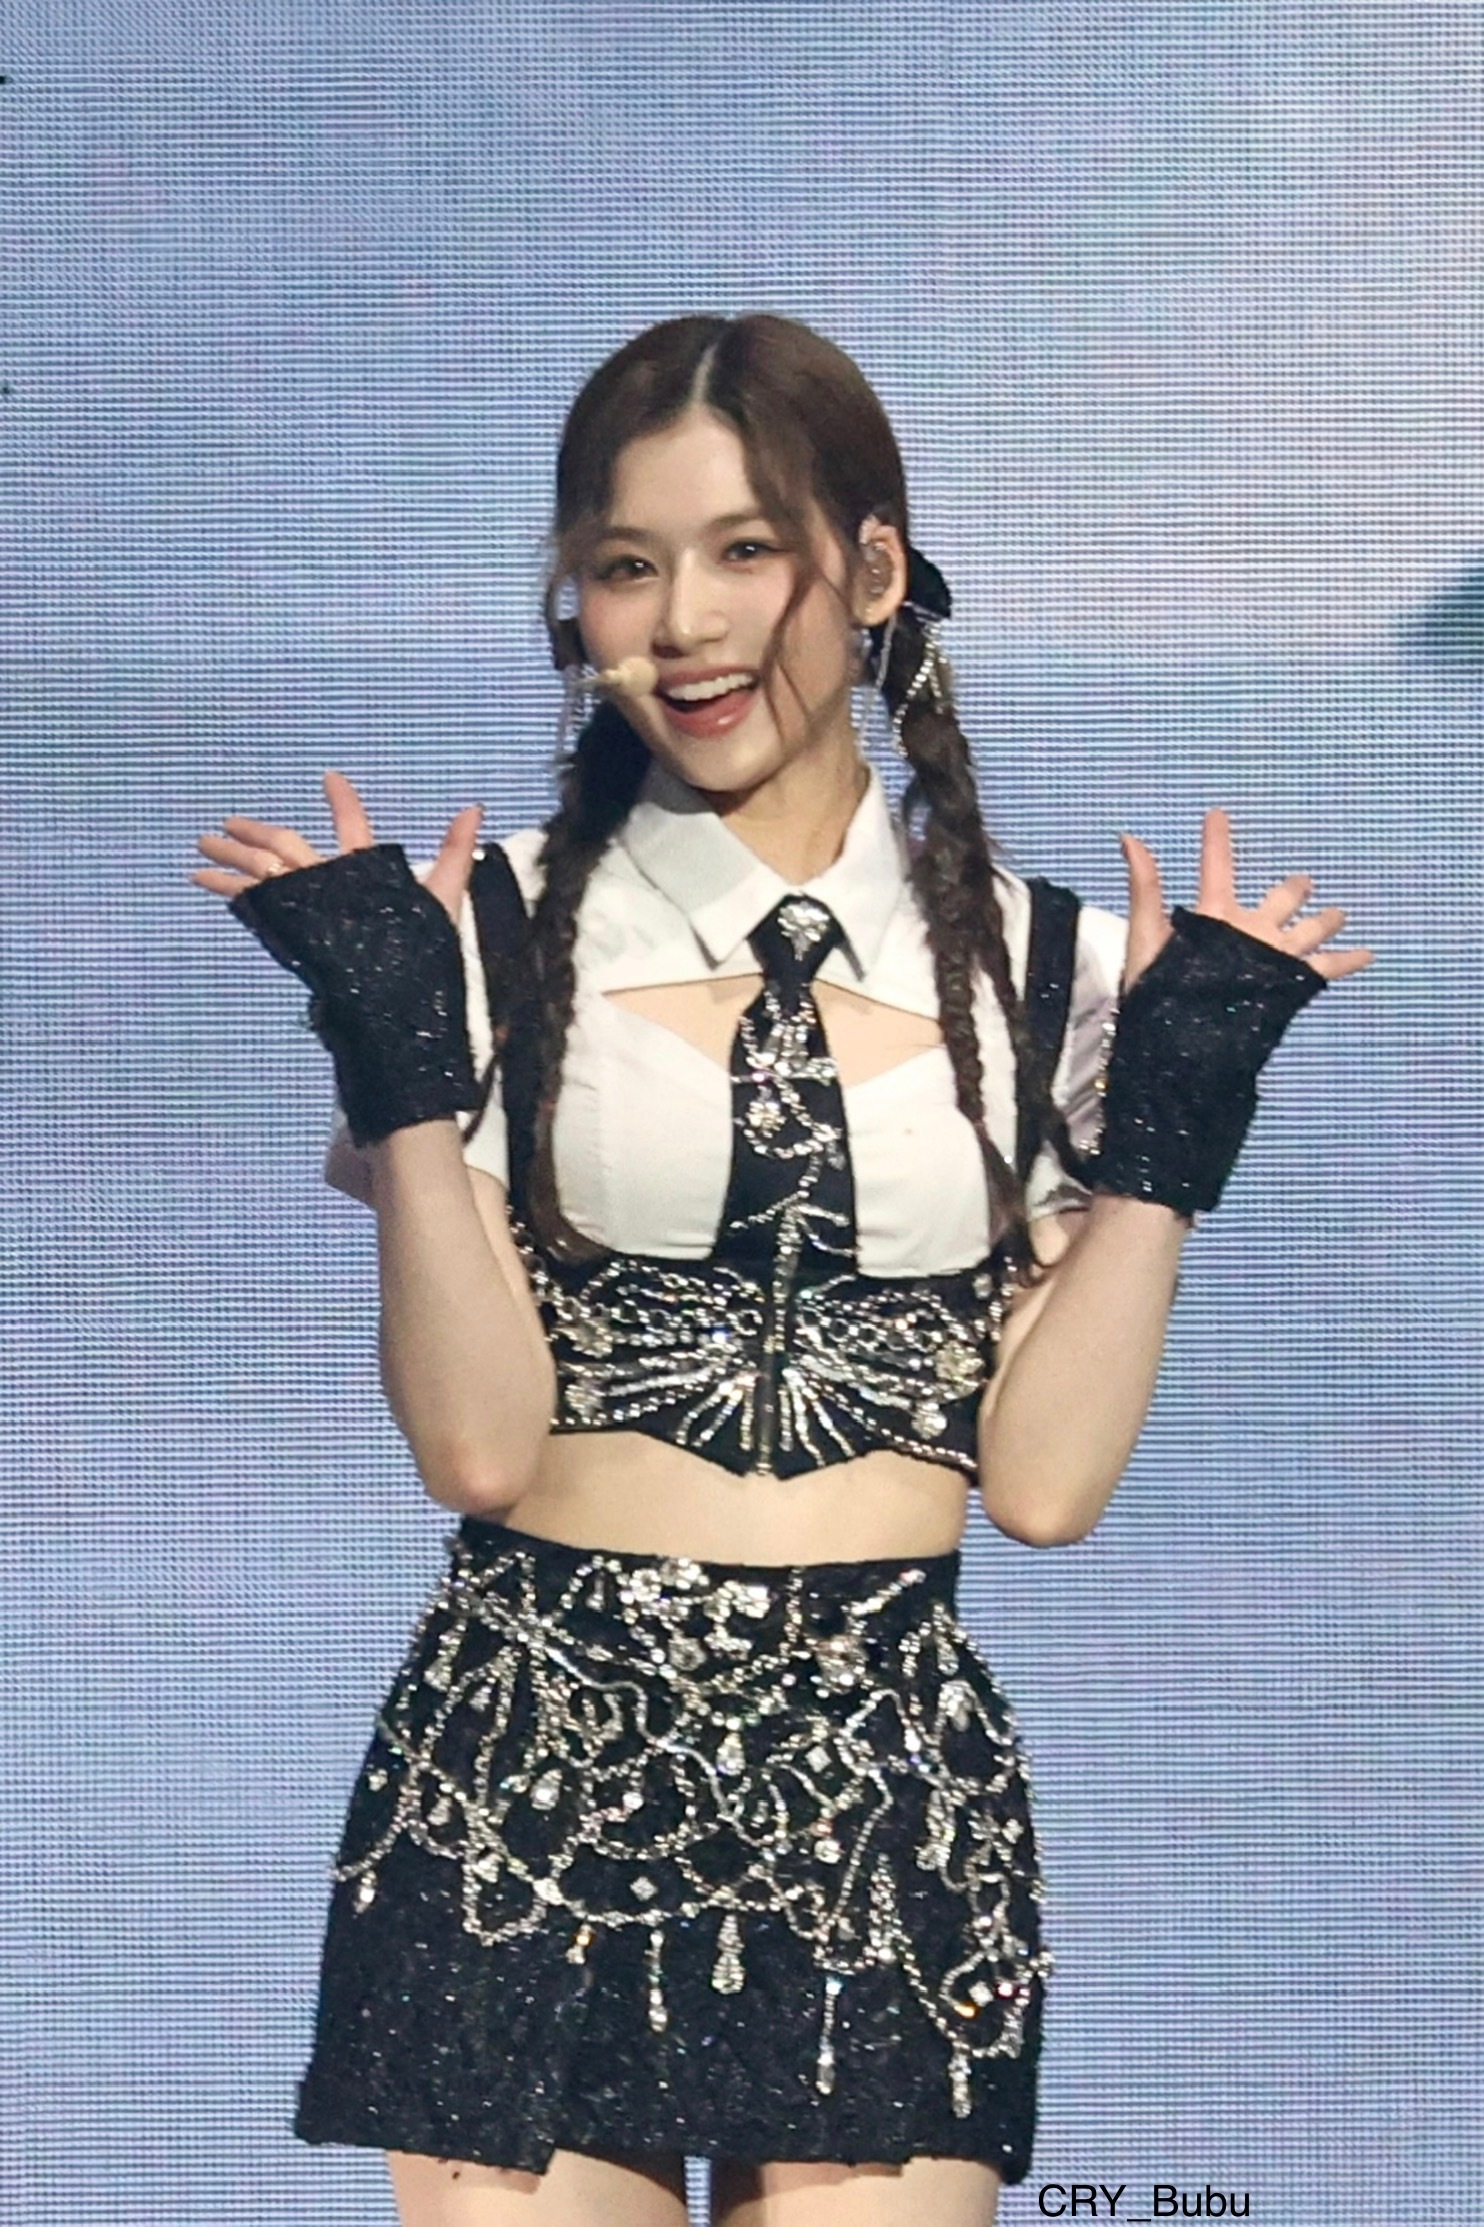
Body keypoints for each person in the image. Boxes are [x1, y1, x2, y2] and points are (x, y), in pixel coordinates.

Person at [192, 313, 1372, 2227]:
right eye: (625, 565)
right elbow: (477, 1451)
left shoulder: (1059, 974)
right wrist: (399, 1072)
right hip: (523, 1776)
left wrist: (1167, 1146)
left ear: (876, 570)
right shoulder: (477, 943)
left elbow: (1046, 1489)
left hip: (885, 1793)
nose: (686, 625)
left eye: (748, 551)